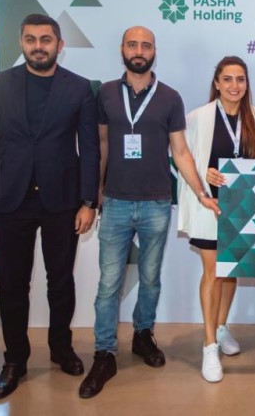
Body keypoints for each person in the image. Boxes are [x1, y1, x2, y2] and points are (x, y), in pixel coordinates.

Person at [78, 26, 219, 399]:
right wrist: (94, 197)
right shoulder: (106, 94)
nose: (139, 50)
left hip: (157, 202)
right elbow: (101, 146)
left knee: (151, 278)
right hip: (116, 202)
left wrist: (201, 193)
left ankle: (143, 335)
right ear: (122, 49)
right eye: (132, 44)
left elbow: (181, 152)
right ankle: (104, 353)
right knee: (109, 284)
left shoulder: (170, 97)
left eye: (146, 45)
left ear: (154, 51)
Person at [0, 13, 100, 399]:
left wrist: (88, 201)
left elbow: (90, 149)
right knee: (12, 284)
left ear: (60, 45)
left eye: (46, 40)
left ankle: (61, 348)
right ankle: (15, 359)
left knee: (60, 281)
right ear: (21, 43)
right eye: (31, 39)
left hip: (61, 200)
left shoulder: (79, 88)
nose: (38, 46)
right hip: (10, 200)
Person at [178, 56, 255, 382]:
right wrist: (205, 174)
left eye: (240, 79)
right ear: (216, 82)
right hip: (210, 205)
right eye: (227, 79)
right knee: (213, 272)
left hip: (242, 206)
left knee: (232, 272)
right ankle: (209, 345)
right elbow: (182, 158)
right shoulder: (198, 117)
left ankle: (222, 326)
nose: (234, 85)